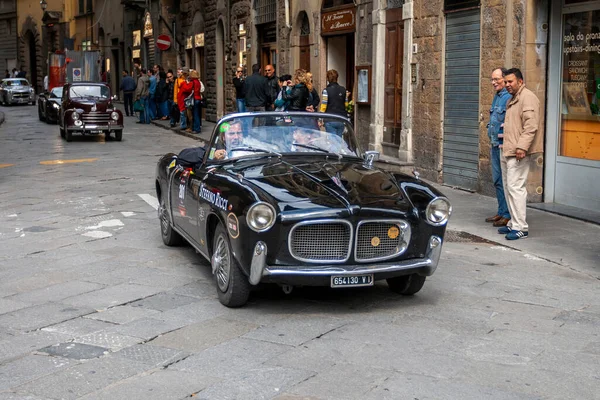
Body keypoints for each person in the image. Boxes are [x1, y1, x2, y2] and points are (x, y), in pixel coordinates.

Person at [498, 68, 543, 240]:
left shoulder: (528, 97)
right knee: (510, 187)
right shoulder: (513, 99)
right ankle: (513, 223)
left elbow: (531, 126)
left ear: (520, 81)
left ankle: (521, 228)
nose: (507, 85)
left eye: (510, 82)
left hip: (518, 152)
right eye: (506, 82)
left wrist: (522, 148)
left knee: (516, 188)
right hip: (508, 149)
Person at [485, 68, 512, 227]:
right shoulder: (497, 97)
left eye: (497, 79)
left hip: (503, 145)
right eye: (492, 79)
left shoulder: (508, 97)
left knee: (505, 180)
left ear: (505, 79)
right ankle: (501, 211)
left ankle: (508, 214)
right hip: (494, 144)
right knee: (497, 180)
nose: (494, 82)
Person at [320, 69, 347, 136]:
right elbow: (346, 105)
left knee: (332, 141)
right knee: (339, 140)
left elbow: (323, 106)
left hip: (330, 118)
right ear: (337, 78)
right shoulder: (343, 90)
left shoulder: (326, 91)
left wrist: (320, 119)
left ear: (327, 79)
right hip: (341, 118)